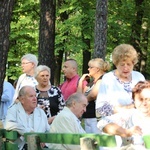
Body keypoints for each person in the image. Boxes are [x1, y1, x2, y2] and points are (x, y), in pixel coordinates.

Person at [97, 80, 150, 149]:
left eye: (148, 99)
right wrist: (126, 132)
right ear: (134, 100)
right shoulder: (129, 115)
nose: (144, 103)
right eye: (140, 99)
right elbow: (102, 124)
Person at [96, 44, 145, 117]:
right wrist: (127, 108)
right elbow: (100, 109)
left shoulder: (139, 77)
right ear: (116, 64)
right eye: (122, 64)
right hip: (115, 124)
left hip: (138, 123)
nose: (125, 68)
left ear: (133, 63)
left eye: (129, 64)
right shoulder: (108, 78)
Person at [77, 58, 110, 133]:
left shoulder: (103, 79)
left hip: (97, 117)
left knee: (96, 141)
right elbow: (79, 97)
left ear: (97, 69)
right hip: (88, 116)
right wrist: (80, 81)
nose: (88, 69)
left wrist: (81, 102)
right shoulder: (91, 83)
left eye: (90, 67)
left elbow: (92, 95)